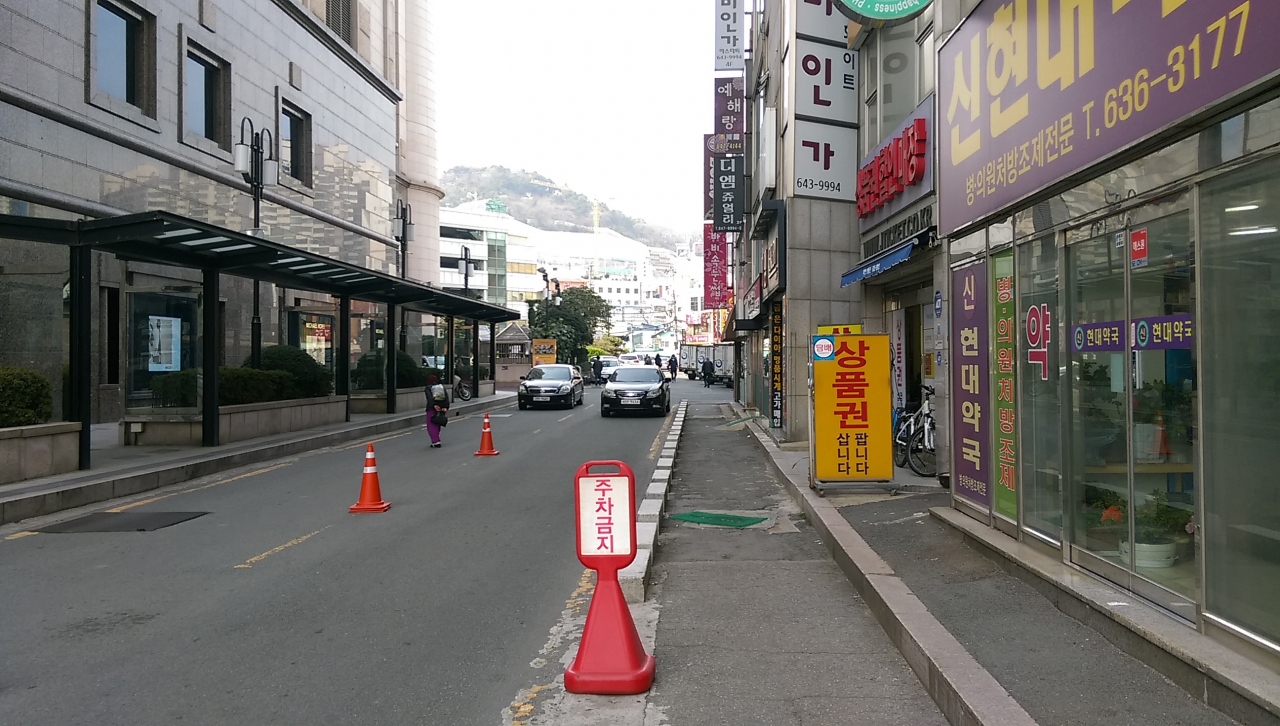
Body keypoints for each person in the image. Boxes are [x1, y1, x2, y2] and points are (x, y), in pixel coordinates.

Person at [426, 374, 449, 448]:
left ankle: (436, 441)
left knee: (431, 425)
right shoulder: (441, 387)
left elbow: (429, 398)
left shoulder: (428, 388)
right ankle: (437, 439)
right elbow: (446, 397)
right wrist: (446, 406)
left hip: (432, 408)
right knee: (437, 424)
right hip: (441, 407)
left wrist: (434, 405)